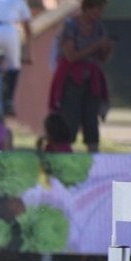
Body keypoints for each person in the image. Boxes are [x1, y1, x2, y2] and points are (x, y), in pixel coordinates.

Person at [48, 0, 114, 153]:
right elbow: (70, 56)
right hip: (72, 78)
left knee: (91, 119)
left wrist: (107, 48)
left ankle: (93, 155)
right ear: (87, 8)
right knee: (69, 119)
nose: (98, 13)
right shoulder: (71, 26)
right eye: (96, 9)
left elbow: (101, 58)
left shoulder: (98, 27)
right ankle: (64, 155)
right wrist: (95, 45)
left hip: (92, 79)